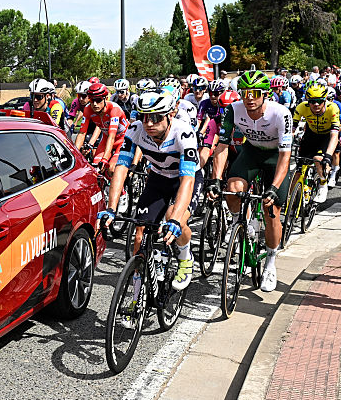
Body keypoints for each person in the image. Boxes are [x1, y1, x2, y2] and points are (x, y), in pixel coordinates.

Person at [99, 90, 200, 290]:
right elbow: (121, 167)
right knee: (140, 232)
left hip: (185, 180)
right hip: (158, 178)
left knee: (175, 216)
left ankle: (185, 257)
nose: (149, 123)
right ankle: (138, 294)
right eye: (145, 117)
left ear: (170, 114)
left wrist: (173, 220)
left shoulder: (184, 133)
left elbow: (187, 179)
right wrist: (112, 208)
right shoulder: (135, 129)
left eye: (155, 117)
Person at [208, 70, 293, 292]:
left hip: (276, 157)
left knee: (271, 209)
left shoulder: (281, 113)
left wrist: (274, 188)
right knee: (232, 189)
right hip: (252, 152)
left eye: (255, 93)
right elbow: (223, 146)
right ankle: (242, 223)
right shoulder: (233, 110)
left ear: (265, 94)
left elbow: (285, 155)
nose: (250, 98)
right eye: (245, 92)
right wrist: (216, 179)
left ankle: (271, 261)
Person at [292, 82, 339, 202]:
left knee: (318, 159)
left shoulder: (332, 108)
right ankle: (291, 203)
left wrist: (328, 156)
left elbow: (334, 135)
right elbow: (291, 129)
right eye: (312, 101)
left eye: (319, 100)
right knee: (298, 170)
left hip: (326, 136)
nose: (316, 104)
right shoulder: (302, 107)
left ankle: (323, 185)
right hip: (311, 135)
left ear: (325, 100)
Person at [75, 81, 127, 174]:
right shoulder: (88, 109)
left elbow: (112, 136)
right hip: (106, 139)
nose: (94, 104)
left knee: (111, 168)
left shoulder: (114, 109)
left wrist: (105, 159)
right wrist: (75, 155)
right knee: (96, 168)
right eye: (91, 100)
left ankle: (121, 188)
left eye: (98, 100)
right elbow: (82, 133)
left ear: (106, 99)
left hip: (122, 140)